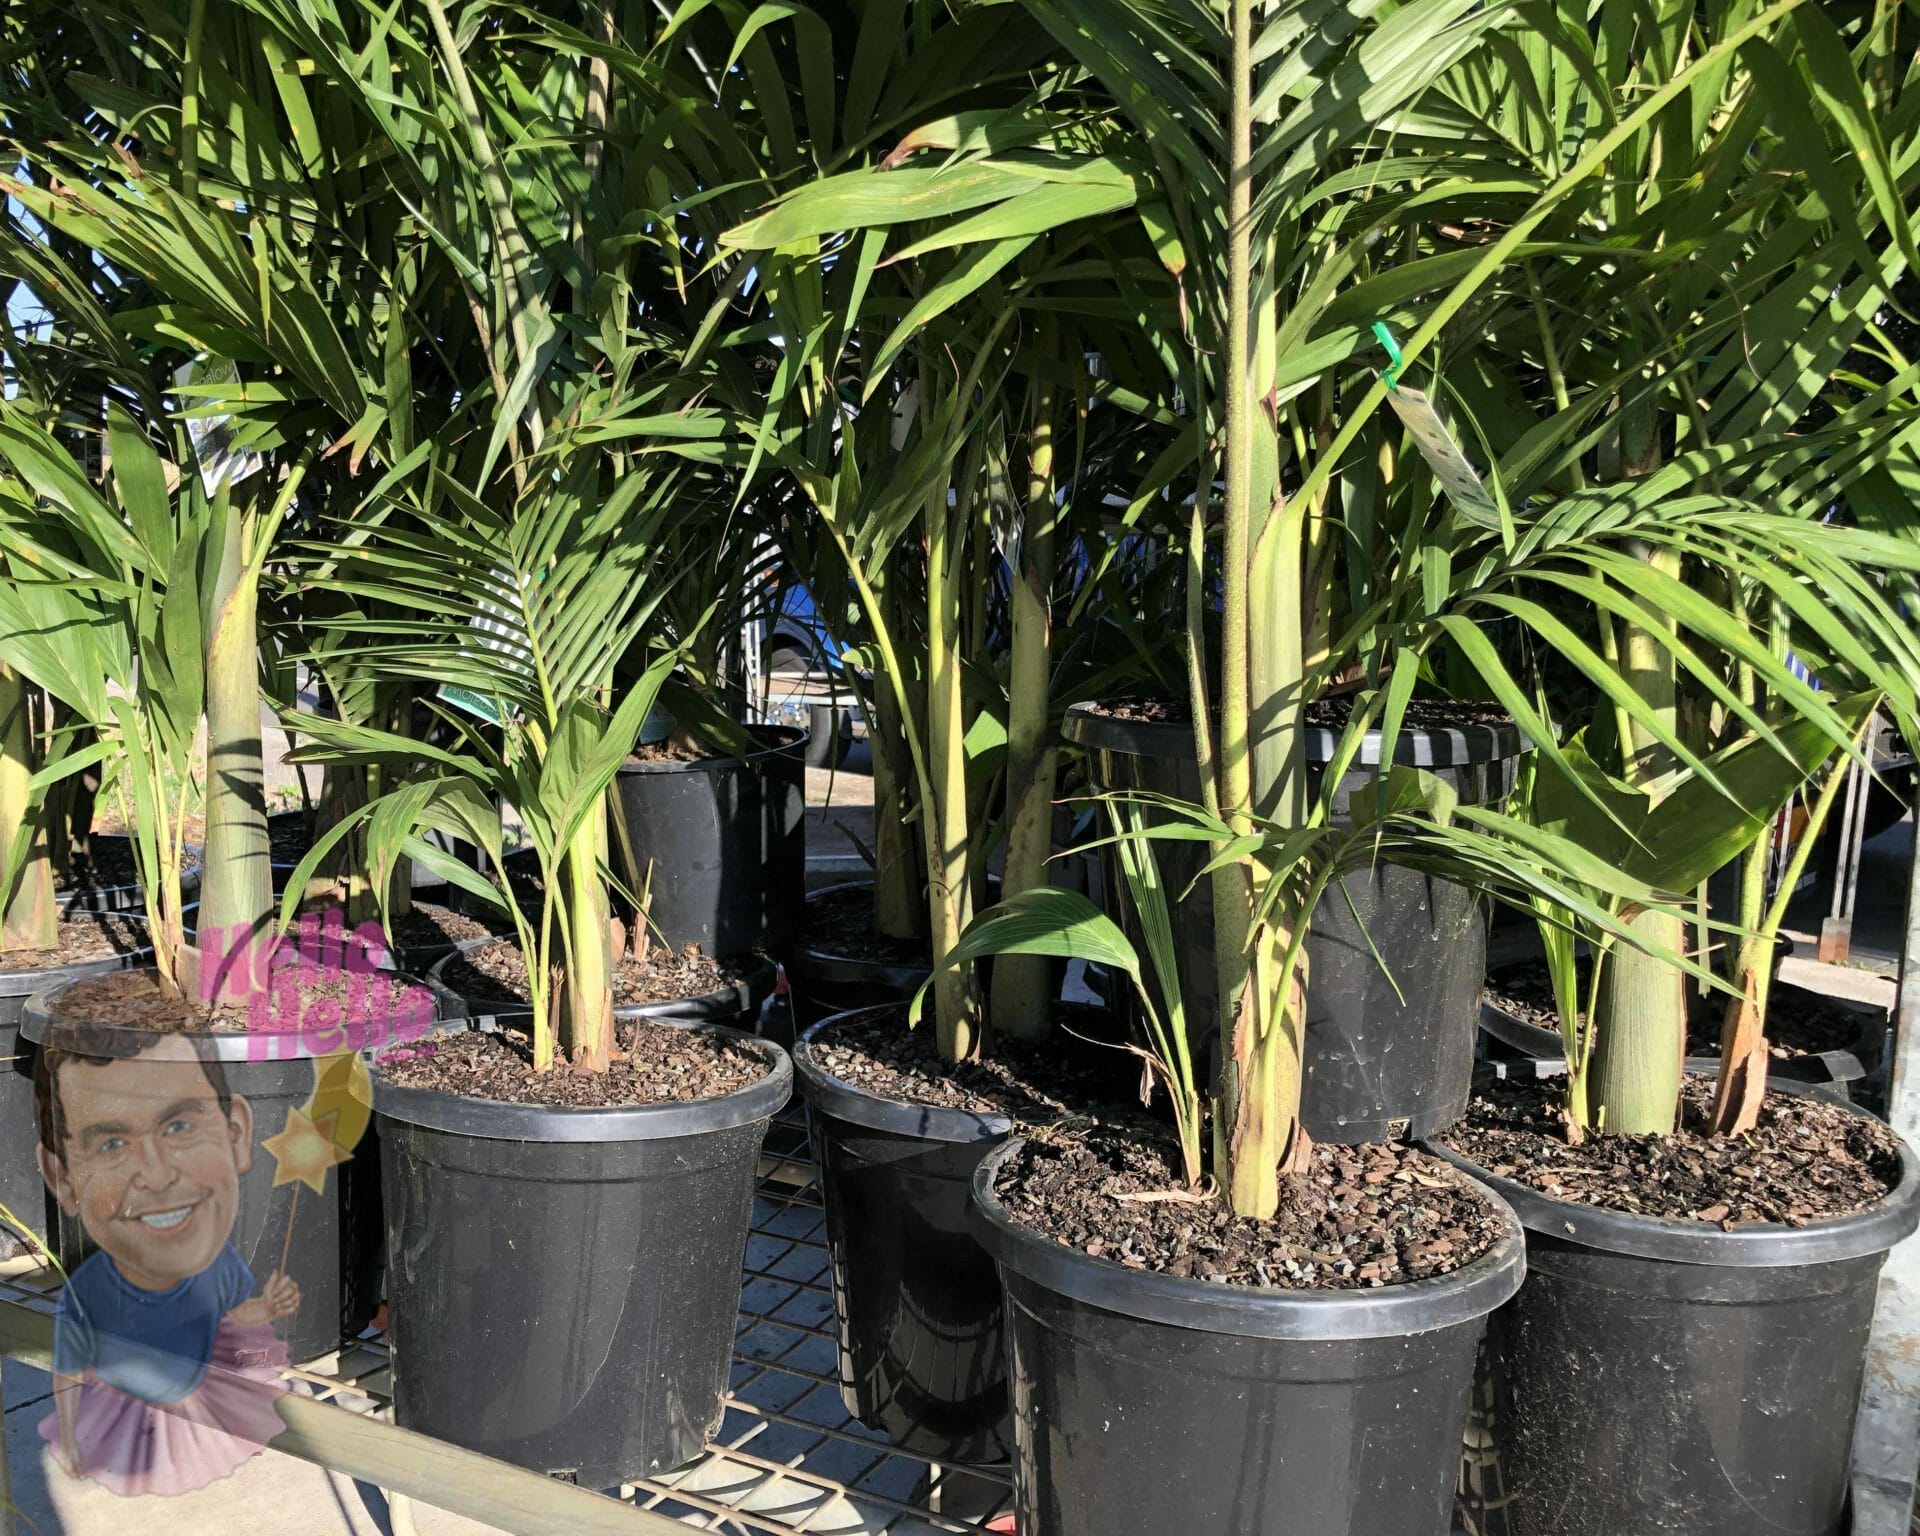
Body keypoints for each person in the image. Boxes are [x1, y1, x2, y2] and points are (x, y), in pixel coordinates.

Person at [32, 1020, 297, 1496]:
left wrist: (269, 1308)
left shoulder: (216, 1266)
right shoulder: (89, 1289)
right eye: (111, 1144)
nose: (155, 1176)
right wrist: (71, 1434)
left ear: (237, 1134)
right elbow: (68, 1369)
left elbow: (238, 1319)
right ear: (62, 1177)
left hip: (192, 1399)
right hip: (118, 1408)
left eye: (179, 1126)